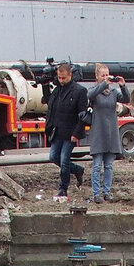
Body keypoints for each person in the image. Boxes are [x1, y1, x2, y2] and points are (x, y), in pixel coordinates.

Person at [86, 64, 128, 203]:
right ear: (97, 77)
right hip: (98, 132)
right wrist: (103, 85)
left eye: (107, 75)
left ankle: (107, 192)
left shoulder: (114, 92)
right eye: (103, 75)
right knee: (97, 165)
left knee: (109, 165)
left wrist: (122, 85)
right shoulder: (94, 91)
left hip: (112, 133)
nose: (106, 78)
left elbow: (126, 99)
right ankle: (96, 193)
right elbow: (90, 95)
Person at [45, 63, 87, 197]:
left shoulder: (79, 91)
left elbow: (83, 115)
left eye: (63, 78)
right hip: (57, 130)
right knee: (53, 157)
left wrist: (76, 133)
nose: (61, 80)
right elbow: (48, 102)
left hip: (70, 132)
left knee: (64, 160)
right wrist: (44, 86)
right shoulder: (58, 90)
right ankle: (77, 170)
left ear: (70, 75)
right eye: (59, 78)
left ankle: (63, 188)